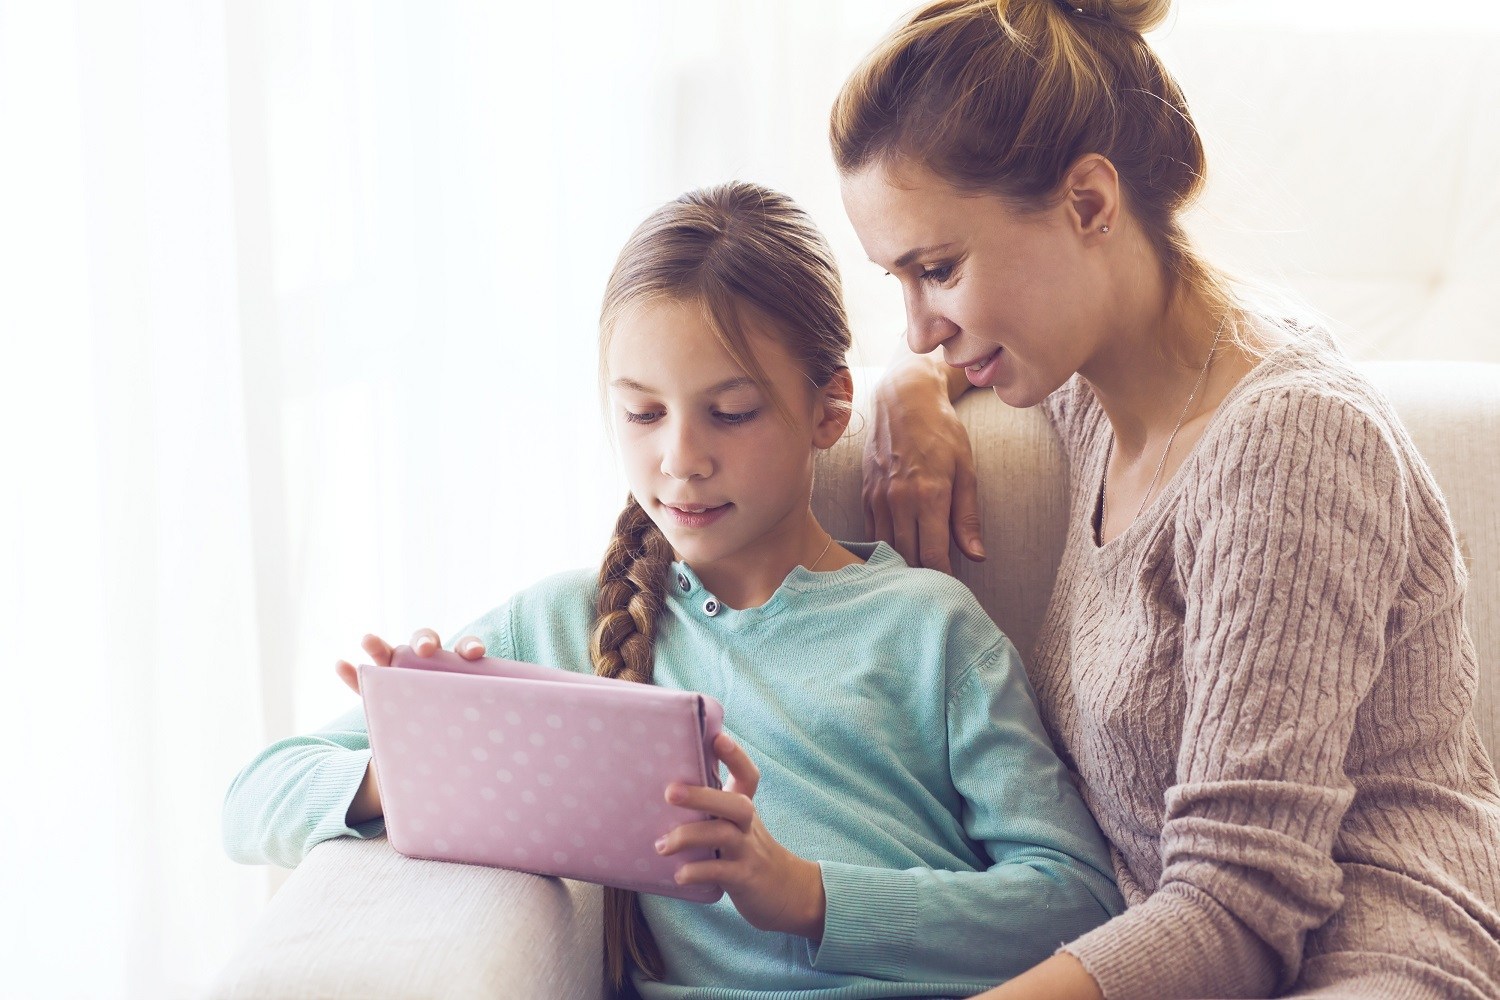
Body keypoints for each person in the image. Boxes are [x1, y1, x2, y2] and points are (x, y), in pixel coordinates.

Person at [222, 181, 1125, 999]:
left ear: (829, 410)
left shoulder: (930, 629)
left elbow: (1077, 904)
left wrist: (806, 895)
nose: (681, 460)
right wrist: (423, 761)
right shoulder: (563, 625)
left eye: (731, 412)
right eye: (643, 413)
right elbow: (257, 794)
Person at [829, 1, 1500, 999]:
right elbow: (935, 330)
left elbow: (1237, 909)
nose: (921, 324)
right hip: (1167, 943)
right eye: (899, 278)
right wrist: (905, 386)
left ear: (1090, 204)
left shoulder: (1290, 443)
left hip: (1366, 957)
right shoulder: (1097, 376)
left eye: (937, 270)